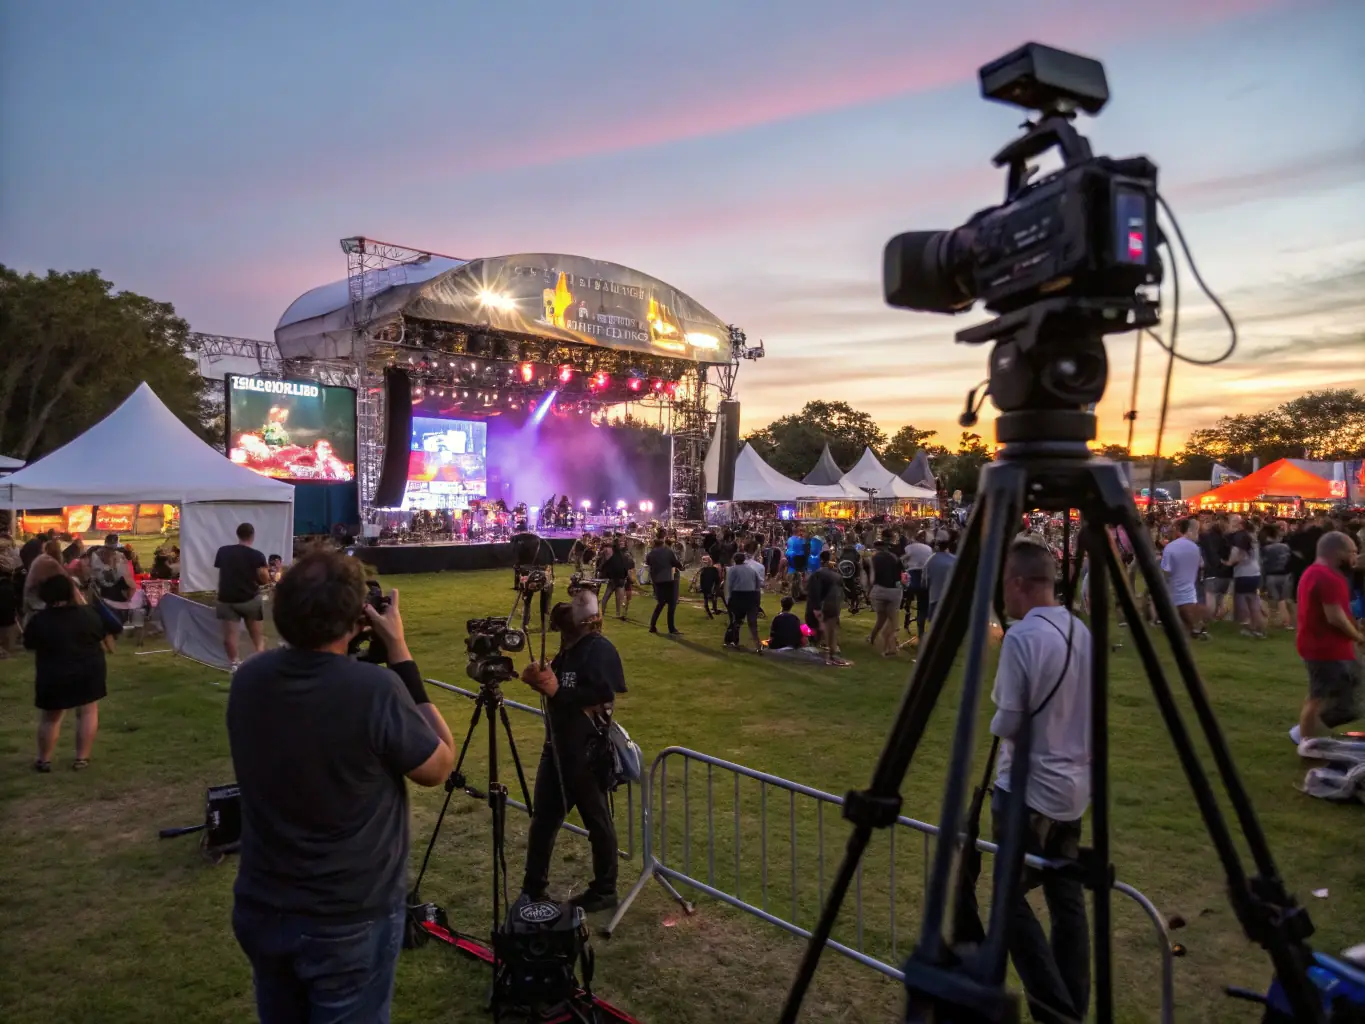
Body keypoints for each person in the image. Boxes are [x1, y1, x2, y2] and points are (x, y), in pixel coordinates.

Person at [226, 549, 455, 1023]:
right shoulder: (374, 690)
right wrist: (401, 656)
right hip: (346, 914)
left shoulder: (249, 680)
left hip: (264, 902)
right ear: (356, 618)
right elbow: (438, 764)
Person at [989, 542, 1093, 1024]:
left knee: (1008, 901)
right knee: (1065, 899)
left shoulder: (1021, 637)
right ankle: (1074, 1001)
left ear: (1017, 583)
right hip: (1073, 788)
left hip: (1027, 788)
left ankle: (1054, 1008)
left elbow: (1009, 721)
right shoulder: (1081, 630)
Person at [521, 590, 627, 912]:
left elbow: (602, 694)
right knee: (544, 820)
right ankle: (533, 887)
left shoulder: (599, 649)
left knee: (597, 820)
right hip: (556, 748)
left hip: (584, 751)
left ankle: (605, 890)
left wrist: (556, 689)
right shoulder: (567, 652)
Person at [25, 573, 120, 772]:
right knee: (87, 711)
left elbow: (29, 644)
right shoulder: (89, 614)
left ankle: (44, 760)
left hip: (53, 672)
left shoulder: (40, 620)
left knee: (50, 717)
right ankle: (82, 758)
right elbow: (106, 632)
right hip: (88, 669)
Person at [1290, 531, 1362, 745]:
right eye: (1352, 552)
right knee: (1318, 698)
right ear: (1337, 552)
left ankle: (1308, 735)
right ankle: (1306, 741)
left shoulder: (1319, 572)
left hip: (1331, 646)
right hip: (1324, 648)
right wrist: (1358, 636)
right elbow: (1335, 617)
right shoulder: (1327, 577)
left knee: (1345, 687)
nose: (1354, 558)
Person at [214, 522, 270, 670]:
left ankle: (234, 664)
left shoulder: (223, 551)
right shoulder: (257, 555)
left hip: (226, 599)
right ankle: (260, 661)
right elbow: (263, 577)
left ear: (238, 534)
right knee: (257, 635)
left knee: (230, 636)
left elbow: (223, 570)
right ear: (252, 536)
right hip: (249, 599)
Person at [1160, 517, 1207, 639]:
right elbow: (1201, 564)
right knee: (1187, 611)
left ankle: (1189, 631)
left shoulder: (1170, 547)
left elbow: (1166, 570)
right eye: (1196, 531)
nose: (1198, 534)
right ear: (1189, 531)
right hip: (1188, 586)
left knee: (1179, 613)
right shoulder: (1195, 548)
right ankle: (1193, 630)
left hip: (1173, 586)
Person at [1224, 514, 1265, 638]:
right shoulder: (1250, 536)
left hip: (1244, 574)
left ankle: (1249, 627)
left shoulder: (1240, 537)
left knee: (1245, 602)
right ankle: (1258, 629)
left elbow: (1238, 553)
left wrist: (1229, 562)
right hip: (1254, 573)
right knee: (1253, 602)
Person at [805, 550, 846, 666]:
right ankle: (832, 649)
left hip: (823, 604)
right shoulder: (837, 575)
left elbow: (814, 593)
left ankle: (826, 651)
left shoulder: (817, 574)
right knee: (831, 628)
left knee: (822, 627)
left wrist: (816, 609)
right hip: (834, 605)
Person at [866, 532, 904, 657]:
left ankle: (871, 637)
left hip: (878, 590)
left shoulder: (873, 558)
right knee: (892, 620)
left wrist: (869, 591)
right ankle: (890, 648)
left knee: (881, 617)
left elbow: (871, 578)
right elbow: (900, 574)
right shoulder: (895, 557)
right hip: (893, 590)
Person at [724, 551, 764, 653]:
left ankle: (731, 641)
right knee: (752, 623)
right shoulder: (751, 570)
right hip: (751, 596)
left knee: (736, 621)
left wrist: (728, 599)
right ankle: (758, 646)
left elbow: (729, 585)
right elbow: (758, 584)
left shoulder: (732, 570)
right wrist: (756, 599)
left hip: (738, 596)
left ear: (734, 560)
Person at [645, 533, 683, 635]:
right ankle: (671, 628)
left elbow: (648, 563)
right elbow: (675, 563)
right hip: (669, 579)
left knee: (660, 604)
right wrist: (682, 567)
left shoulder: (651, 554)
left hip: (657, 581)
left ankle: (652, 626)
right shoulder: (668, 551)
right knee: (672, 604)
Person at [1259, 525, 1295, 630]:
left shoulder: (1265, 549)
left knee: (1275, 601)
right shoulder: (1285, 547)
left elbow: (1263, 565)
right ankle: (1287, 622)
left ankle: (1278, 621)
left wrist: (1262, 583)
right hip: (1286, 576)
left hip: (1271, 576)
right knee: (1283, 600)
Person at [902, 530, 933, 637]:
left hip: (911, 577)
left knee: (908, 599)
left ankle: (906, 613)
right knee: (922, 607)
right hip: (924, 579)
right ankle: (920, 631)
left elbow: (903, 561)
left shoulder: (909, 548)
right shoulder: (929, 549)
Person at [924, 537, 958, 625]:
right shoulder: (954, 559)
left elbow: (925, 581)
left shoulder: (930, 560)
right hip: (951, 597)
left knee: (935, 624)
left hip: (935, 597)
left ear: (937, 547)